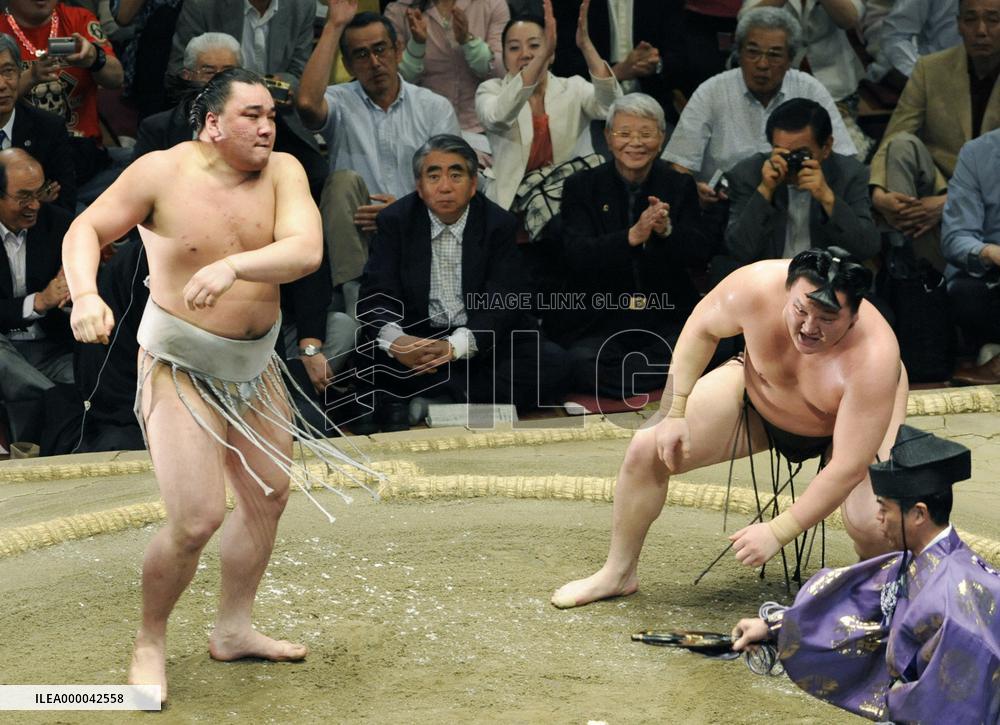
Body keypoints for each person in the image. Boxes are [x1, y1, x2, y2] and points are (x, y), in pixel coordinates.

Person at [61, 68, 378, 703]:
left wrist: (233, 265)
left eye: (269, 116)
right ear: (211, 124)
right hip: (179, 364)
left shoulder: (284, 169)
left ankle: (233, 628)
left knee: (268, 496)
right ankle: (150, 639)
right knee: (198, 517)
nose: (266, 127)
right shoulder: (159, 172)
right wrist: (86, 296)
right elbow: (85, 230)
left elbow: (306, 251)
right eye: (251, 116)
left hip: (256, 365)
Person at [551, 247, 910, 609]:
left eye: (827, 319)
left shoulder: (875, 357)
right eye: (801, 310)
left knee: (872, 521)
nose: (808, 327)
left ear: (853, 318)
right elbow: (700, 329)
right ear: (788, 291)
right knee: (648, 445)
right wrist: (674, 411)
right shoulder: (755, 286)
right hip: (759, 393)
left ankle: (882, 594)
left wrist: (778, 530)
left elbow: (848, 465)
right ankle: (618, 572)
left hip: (848, 423)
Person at [731, 426, 1000, 724]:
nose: (878, 518)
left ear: (919, 514)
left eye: (885, 509)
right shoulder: (917, 561)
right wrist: (773, 629)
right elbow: (855, 605)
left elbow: (953, 705)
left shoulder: (953, 600)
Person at [353, 133, 569, 432]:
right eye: (433, 176)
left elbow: (504, 300)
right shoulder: (395, 221)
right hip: (417, 338)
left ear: (472, 185)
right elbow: (376, 293)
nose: (444, 186)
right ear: (419, 186)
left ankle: (437, 398)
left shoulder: (498, 224)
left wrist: (454, 347)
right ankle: (455, 396)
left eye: (456, 175)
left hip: (478, 341)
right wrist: (398, 341)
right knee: (365, 355)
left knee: (551, 363)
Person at [296, 3, 461, 349]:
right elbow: (308, 105)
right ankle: (363, 311)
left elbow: (455, 187)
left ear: (398, 50)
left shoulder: (433, 107)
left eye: (380, 50)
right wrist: (334, 25)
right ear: (349, 64)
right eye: (360, 55)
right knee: (341, 182)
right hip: (357, 236)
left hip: (418, 232)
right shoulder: (341, 101)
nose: (373, 63)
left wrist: (402, 212)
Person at [556, 93, 716, 398]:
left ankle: (634, 380)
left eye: (645, 134)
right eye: (624, 133)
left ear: (661, 138)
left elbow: (700, 252)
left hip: (663, 314)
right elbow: (575, 255)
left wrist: (667, 230)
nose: (635, 143)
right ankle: (662, 380)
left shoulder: (678, 185)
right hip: (602, 318)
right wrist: (631, 237)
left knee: (719, 345)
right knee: (578, 363)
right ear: (608, 137)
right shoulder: (581, 186)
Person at [662, 7, 856, 211]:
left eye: (774, 55)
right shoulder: (711, 91)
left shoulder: (809, 88)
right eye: (753, 52)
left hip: (796, 207)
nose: (762, 64)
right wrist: (693, 191)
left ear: (790, 59)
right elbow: (679, 165)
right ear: (739, 53)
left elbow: (844, 158)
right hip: (725, 208)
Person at [869, 0, 1000, 273]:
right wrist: (879, 194)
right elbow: (895, 135)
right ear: (958, 25)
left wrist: (950, 202)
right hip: (936, 184)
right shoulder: (931, 68)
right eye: (971, 20)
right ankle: (911, 268)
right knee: (902, 146)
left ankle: (924, 270)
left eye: (993, 20)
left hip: (991, 192)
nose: (981, 30)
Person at [474, 0, 621, 213]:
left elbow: (613, 107)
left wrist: (586, 46)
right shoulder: (490, 91)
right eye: (514, 48)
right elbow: (498, 117)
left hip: (570, 203)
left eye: (535, 45)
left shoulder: (574, 87)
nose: (525, 53)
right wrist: (540, 55)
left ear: (552, 53)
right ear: (504, 58)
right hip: (512, 205)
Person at [723, 98, 878, 268]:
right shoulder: (748, 174)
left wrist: (828, 199)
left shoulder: (850, 174)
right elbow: (739, 250)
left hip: (825, 283)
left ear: (826, 147)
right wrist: (765, 191)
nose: (790, 162)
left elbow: (866, 248)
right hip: (766, 280)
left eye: (800, 153)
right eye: (782, 152)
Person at [1, 0, 123, 185]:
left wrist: (94, 58)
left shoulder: (79, 19)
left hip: (84, 155)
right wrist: (31, 76)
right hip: (21, 161)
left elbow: (116, 79)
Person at [0, 148, 73, 445]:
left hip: (52, 346)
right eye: (23, 197)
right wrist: (38, 302)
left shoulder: (61, 224)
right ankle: (57, 403)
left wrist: (73, 293)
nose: (34, 206)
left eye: (39, 193)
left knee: (88, 377)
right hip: (4, 345)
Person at [383, 0, 509, 140]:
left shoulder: (492, 4)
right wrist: (417, 45)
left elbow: (501, 72)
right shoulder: (399, 9)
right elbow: (395, 83)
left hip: (483, 128)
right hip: (422, 130)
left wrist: (468, 41)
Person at [941, 128, 1000, 384]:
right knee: (964, 294)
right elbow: (956, 237)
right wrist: (990, 252)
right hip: (992, 273)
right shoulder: (978, 153)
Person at [0, 33, 76, 214]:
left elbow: (64, 207)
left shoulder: (48, 128)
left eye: (8, 71)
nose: (2, 84)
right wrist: (31, 201)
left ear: (20, 73)